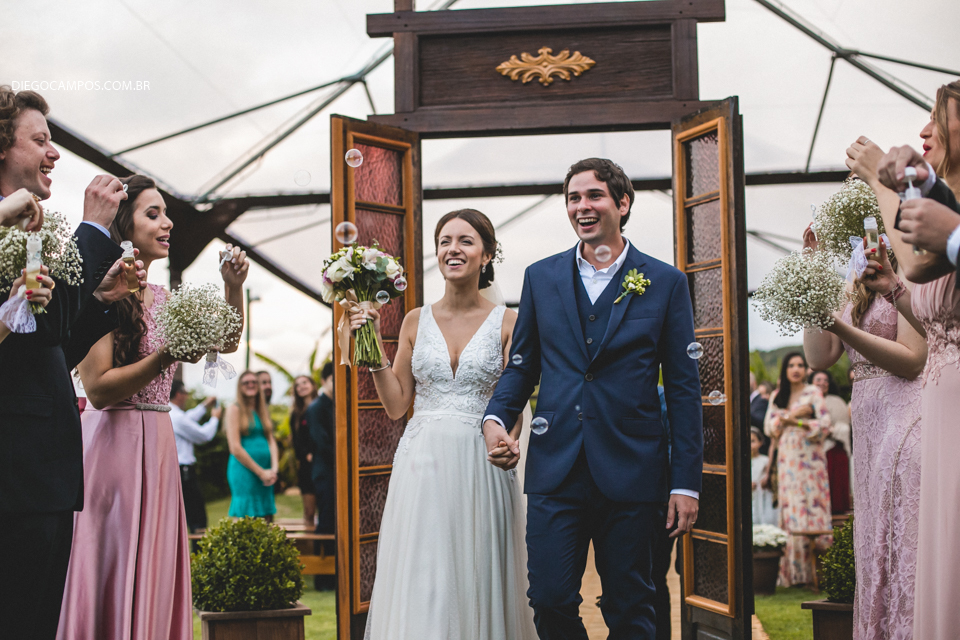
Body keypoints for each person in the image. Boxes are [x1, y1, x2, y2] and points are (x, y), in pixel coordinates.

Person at [484, 157, 703, 639]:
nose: (582, 206)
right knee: (549, 597)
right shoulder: (541, 278)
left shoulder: (666, 283)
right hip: (555, 467)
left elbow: (685, 390)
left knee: (629, 602)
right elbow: (521, 367)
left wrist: (685, 483)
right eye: (573, 198)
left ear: (622, 204)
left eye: (594, 195)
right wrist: (495, 418)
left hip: (634, 469)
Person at [59, 174, 248, 639]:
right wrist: (166, 355)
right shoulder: (97, 293)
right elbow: (99, 389)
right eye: (153, 214)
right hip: (110, 448)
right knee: (111, 555)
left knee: (155, 560)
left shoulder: (165, 300)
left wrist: (232, 287)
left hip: (159, 447)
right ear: (124, 225)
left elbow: (224, 341)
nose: (167, 223)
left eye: (165, 214)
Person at [347, 208, 536, 638]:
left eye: (465, 241)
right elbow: (396, 405)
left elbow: (514, 400)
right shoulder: (415, 320)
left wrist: (508, 441)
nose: (453, 249)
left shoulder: (508, 322)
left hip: (481, 464)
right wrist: (369, 343)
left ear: (487, 255)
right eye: (445, 241)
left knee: (479, 570)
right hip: (422, 463)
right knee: (425, 577)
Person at [0, 86, 143, 640]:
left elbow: (47, 342)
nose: (54, 152)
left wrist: (99, 303)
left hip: (43, 472)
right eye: (40, 140)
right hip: (16, 472)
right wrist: (91, 229)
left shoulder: (32, 234)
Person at [851, 80, 960, 640]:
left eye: (938, 117)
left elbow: (922, 261)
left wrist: (884, 181)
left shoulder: (949, 219)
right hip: (943, 404)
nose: (923, 131)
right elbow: (921, 288)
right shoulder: (950, 206)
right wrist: (892, 289)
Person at [763, 352, 832, 587]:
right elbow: (769, 428)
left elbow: (824, 425)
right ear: (785, 369)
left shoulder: (813, 393)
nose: (796, 369)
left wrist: (796, 422)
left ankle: (820, 572)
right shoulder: (777, 396)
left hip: (812, 461)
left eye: (801, 365)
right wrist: (792, 415)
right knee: (791, 508)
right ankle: (793, 574)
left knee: (814, 507)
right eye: (791, 365)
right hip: (788, 460)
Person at [226, 370, 278, 521]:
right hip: (245, 471)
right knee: (247, 518)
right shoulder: (234, 409)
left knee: (267, 518)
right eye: (245, 383)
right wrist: (261, 472)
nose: (250, 385)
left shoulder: (262, 409)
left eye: (254, 382)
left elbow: (271, 440)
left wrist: (274, 469)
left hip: (267, 472)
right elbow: (235, 447)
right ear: (240, 387)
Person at [169, 380, 220, 533]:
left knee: (185, 517)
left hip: (177, 470)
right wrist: (215, 418)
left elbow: (188, 418)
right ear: (179, 394)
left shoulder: (172, 413)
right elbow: (203, 436)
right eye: (186, 393)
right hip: (184, 472)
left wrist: (205, 405)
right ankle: (198, 554)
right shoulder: (177, 417)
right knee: (197, 517)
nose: (187, 396)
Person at [305, 362, 335, 590]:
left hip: (337, 472)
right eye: (334, 379)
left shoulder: (338, 404)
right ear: (325, 380)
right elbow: (321, 441)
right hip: (325, 472)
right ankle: (322, 578)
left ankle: (335, 573)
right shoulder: (316, 408)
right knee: (325, 520)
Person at [808, 371, 853, 514]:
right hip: (810, 450)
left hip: (833, 450)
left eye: (825, 380)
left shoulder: (837, 402)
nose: (822, 383)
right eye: (818, 379)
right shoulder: (804, 399)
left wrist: (830, 430)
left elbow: (843, 428)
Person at [289, 374, 319, 529]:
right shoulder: (296, 414)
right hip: (307, 469)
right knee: (309, 513)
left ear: (313, 385)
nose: (301, 386)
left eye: (304, 382)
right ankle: (311, 548)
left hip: (324, 464)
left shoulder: (324, 407)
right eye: (297, 385)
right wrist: (307, 455)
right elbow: (296, 442)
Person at [750, 427, 777, 526]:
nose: (750, 445)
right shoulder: (741, 463)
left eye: (753, 441)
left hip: (762, 498)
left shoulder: (765, 461)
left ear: (760, 443)